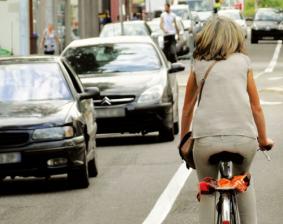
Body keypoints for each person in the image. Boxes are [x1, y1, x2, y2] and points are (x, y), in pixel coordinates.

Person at [180, 16, 274, 224]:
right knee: (243, 181)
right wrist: (264, 139)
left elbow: (187, 108)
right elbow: (255, 107)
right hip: (243, 139)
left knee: (206, 189)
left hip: (206, 140)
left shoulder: (198, 64)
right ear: (235, 38)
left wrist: (183, 140)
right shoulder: (244, 62)